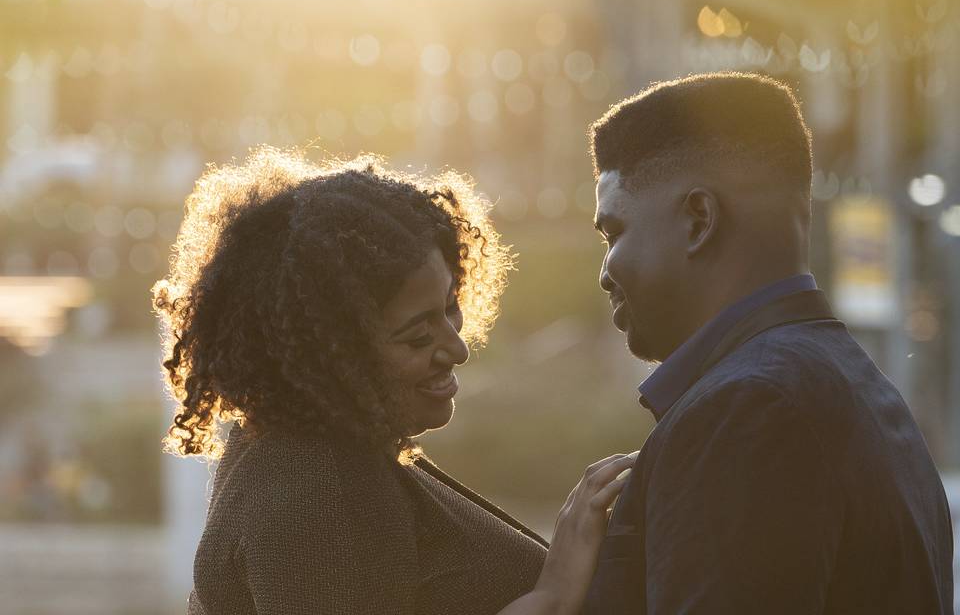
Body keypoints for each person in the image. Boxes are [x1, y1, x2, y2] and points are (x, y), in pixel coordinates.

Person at [153, 147, 633, 615]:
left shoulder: (315, 453)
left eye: (449, 307)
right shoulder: (319, 496)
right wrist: (552, 596)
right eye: (417, 336)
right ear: (330, 356)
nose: (457, 348)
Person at [582, 72, 954, 614]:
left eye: (613, 234)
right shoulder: (854, 387)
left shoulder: (746, 409)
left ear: (698, 220)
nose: (605, 273)